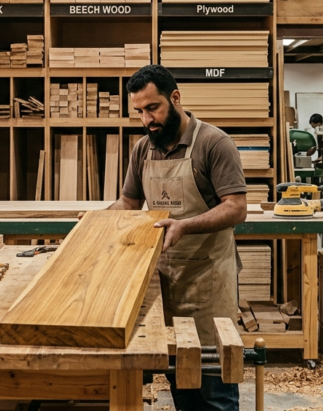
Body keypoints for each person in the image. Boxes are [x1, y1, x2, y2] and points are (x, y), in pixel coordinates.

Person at [108, 64, 247, 411]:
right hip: (167, 282)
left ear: (175, 98)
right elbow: (128, 202)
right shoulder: (143, 149)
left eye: (153, 108)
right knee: (181, 383)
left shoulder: (214, 143)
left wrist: (184, 224)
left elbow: (236, 208)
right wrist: (97, 222)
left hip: (208, 285)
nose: (147, 119)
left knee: (214, 390)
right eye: (139, 111)